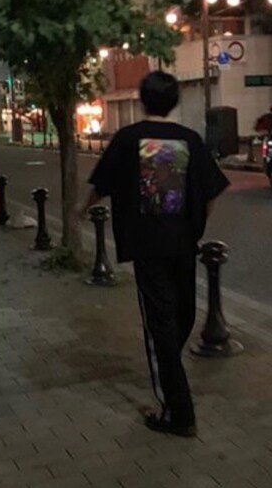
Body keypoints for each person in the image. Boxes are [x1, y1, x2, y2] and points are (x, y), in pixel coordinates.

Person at [83, 71, 229, 437]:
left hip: (150, 245)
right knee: (179, 316)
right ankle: (177, 402)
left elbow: (101, 185)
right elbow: (211, 193)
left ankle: (174, 400)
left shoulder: (128, 138)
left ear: (143, 99)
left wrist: (81, 209)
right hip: (181, 244)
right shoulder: (189, 140)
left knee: (164, 325)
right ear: (175, 100)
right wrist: (195, 228)